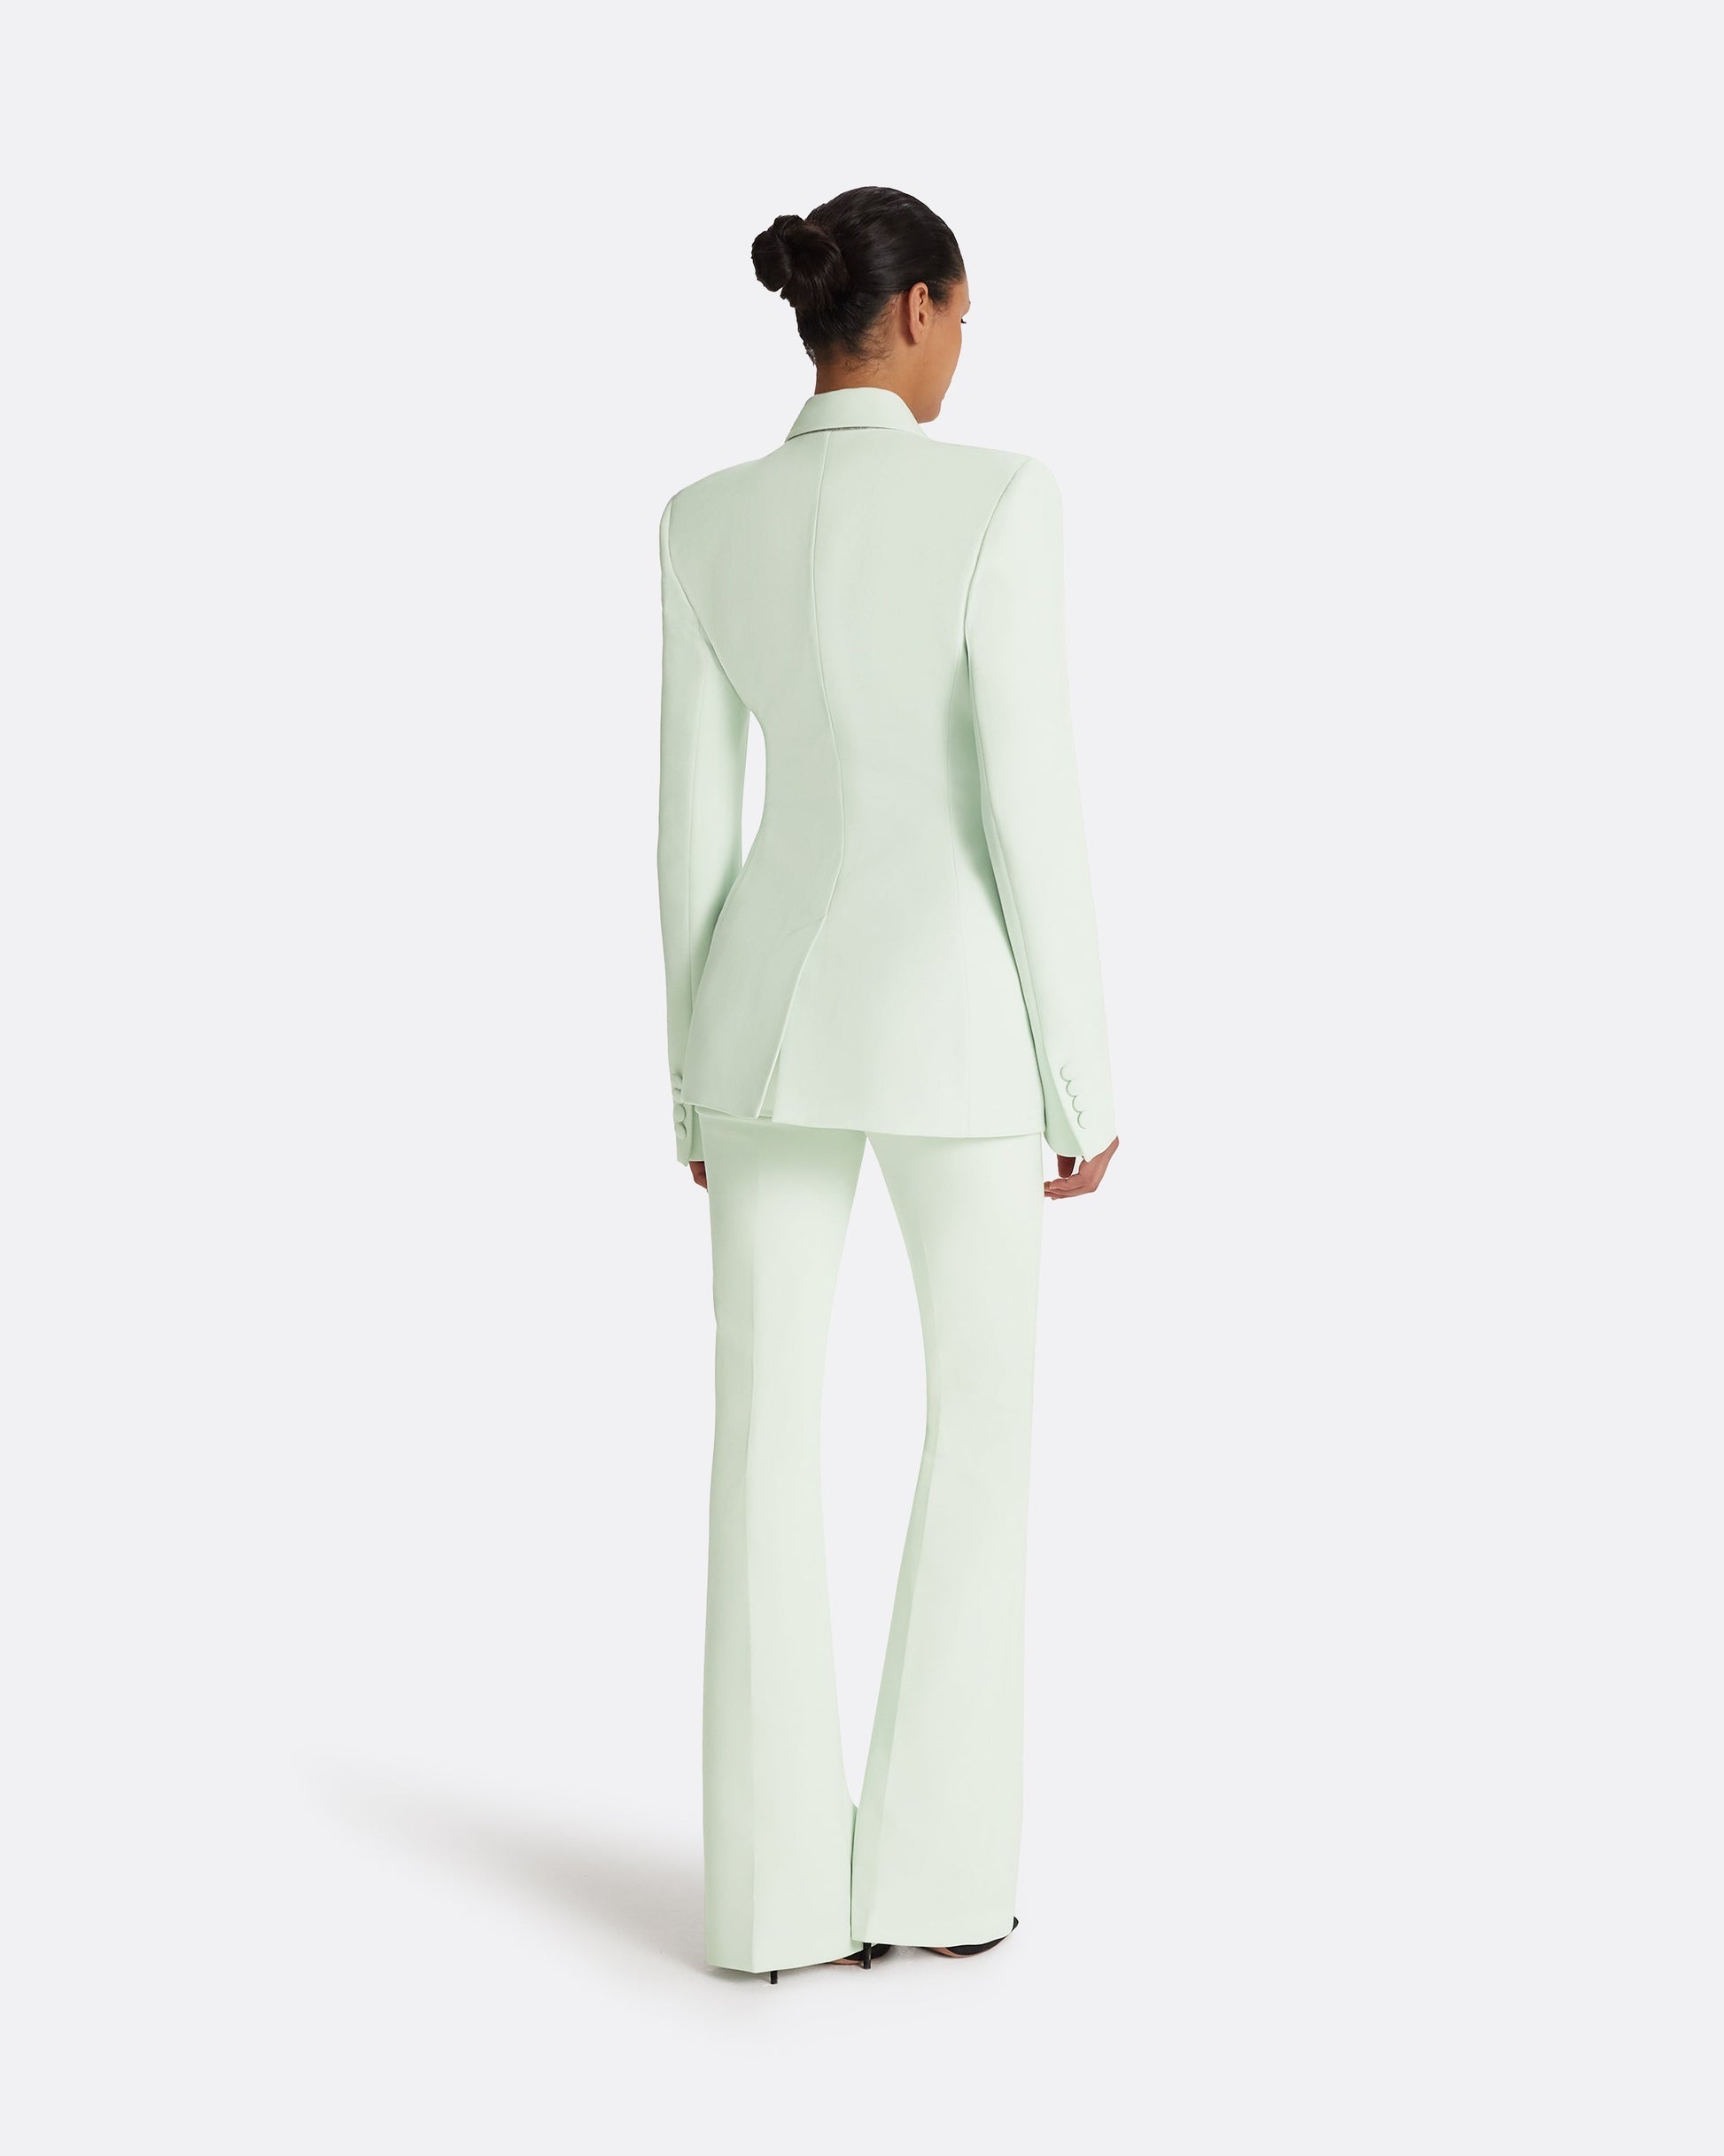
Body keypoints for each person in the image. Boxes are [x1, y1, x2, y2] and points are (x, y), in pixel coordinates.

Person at [656, 185, 1118, 1981]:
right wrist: (1080, 1075)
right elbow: (1030, 801)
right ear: (916, 308)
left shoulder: (704, 520)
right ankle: (932, 1886)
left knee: (758, 1436)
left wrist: (689, 1081)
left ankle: (768, 1906)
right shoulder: (998, 497)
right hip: (959, 1030)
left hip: (760, 1024)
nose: (964, 345)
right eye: (964, 313)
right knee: (977, 1427)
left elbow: (691, 826)